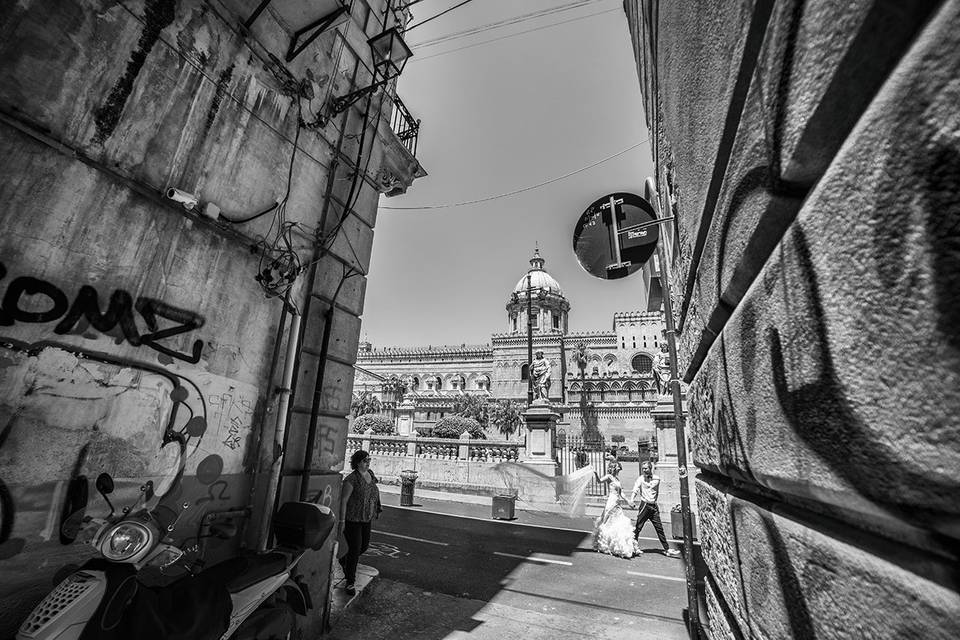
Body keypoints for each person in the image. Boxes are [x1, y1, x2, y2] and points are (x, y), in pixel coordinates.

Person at [338, 449, 382, 595]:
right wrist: (342, 520)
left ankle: (344, 559)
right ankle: (350, 581)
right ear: (357, 463)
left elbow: (373, 491)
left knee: (363, 546)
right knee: (355, 549)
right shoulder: (351, 480)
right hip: (353, 519)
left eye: (369, 460)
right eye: (365, 460)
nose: (368, 462)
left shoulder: (371, 475)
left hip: (366, 518)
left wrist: (376, 507)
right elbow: (343, 500)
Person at [630, 461, 681, 557]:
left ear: (650, 468)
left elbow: (656, 492)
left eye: (646, 468)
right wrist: (632, 500)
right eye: (643, 468)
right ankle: (634, 546)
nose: (644, 470)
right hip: (644, 505)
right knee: (638, 527)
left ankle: (667, 549)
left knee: (659, 528)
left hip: (653, 507)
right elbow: (635, 489)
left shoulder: (657, 479)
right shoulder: (640, 479)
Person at [592, 461, 639, 558]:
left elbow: (621, 493)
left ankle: (616, 545)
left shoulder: (617, 479)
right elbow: (599, 481)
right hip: (611, 502)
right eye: (617, 467)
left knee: (617, 521)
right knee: (606, 521)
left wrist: (629, 502)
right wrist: (596, 474)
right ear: (613, 467)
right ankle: (602, 543)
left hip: (617, 502)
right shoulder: (609, 477)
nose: (619, 468)